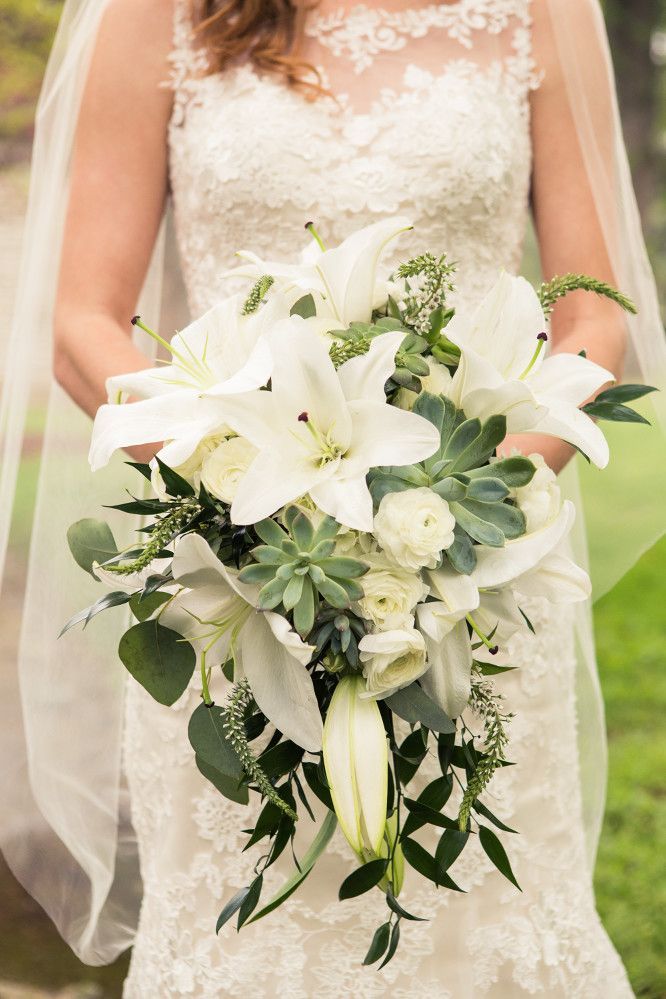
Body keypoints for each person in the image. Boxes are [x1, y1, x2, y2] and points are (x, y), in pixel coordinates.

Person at [1, 0, 664, 995]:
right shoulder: (157, 11)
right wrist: (232, 494)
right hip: (236, 579)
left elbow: (590, 318)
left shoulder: (543, 10)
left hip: (474, 578)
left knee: (484, 918)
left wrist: (469, 504)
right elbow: (82, 321)